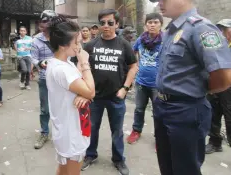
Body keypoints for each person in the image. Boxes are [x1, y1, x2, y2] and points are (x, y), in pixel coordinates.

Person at [147, 0, 231, 175]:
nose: (159, 3)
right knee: (167, 166)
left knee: (185, 169)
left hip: (186, 110)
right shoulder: (172, 30)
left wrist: (198, 90)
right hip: (163, 107)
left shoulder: (201, 28)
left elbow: (227, 77)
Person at [82, 9, 138, 175]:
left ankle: (118, 159)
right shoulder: (91, 45)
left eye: (110, 23)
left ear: (117, 24)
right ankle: (90, 155)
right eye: (102, 23)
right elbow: (81, 66)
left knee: (117, 131)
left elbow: (133, 67)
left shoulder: (124, 45)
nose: (106, 26)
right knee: (91, 129)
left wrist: (125, 88)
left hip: (116, 97)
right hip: (94, 97)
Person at [46, 16, 95, 175]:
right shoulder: (62, 69)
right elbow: (90, 90)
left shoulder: (62, 63)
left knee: (63, 169)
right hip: (71, 129)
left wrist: (85, 94)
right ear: (62, 45)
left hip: (66, 126)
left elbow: (83, 85)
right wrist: (85, 62)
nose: (79, 47)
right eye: (76, 42)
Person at [205, 19, 231, 174]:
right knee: (213, 116)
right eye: (220, 29)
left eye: (226, 29)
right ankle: (215, 142)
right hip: (215, 88)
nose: (223, 32)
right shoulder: (215, 47)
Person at [127, 13, 163, 145]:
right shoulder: (140, 40)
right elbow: (132, 54)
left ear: (160, 25)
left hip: (158, 84)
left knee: (158, 112)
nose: (152, 25)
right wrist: (135, 67)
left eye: (155, 22)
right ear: (146, 25)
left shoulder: (165, 41)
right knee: (139, 108)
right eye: (150, 22)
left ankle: (160, 138)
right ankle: (136, 130)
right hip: (141, 82)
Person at [31, 10, 58, 149]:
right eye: (41, 20)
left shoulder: (59, 37)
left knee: (61, 108)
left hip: (60, 80)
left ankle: (61, 134)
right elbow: (34, 58)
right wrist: (39, 63)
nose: (42, 23)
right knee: (45, 109)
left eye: (45, 21)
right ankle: (44, 133)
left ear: (53, 22)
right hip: (44, 79)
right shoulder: (36, 40)